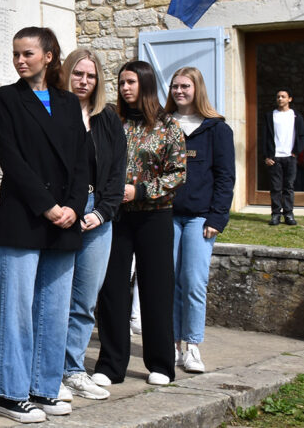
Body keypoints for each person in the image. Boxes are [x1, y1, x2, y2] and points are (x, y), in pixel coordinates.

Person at [0, 27, 89, 423]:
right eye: (16, 53)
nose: (20, 60)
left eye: (28, 53)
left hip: (66, 218)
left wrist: (74, 208)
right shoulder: (7, 97)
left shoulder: (68, 102)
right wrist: (48, 206)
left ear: (49, 56)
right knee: (16, 310)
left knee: (53, 310)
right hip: (25, 214)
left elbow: (82, 161)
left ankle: (44, 388)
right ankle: (11, 394)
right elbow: (11, 158)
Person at [92, 61, 186, 389]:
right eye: (121, 83)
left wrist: (142, 190)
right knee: (112, 288)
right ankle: (111, 363)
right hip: (116, 216)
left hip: (154, 215)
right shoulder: (110, 120)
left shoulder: (167, 126)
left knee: (156, 288)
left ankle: (161, 363)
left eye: (130, 82)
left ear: (145, 84)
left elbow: (178, 172)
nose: (125, 88)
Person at [57, 48, 126, 402]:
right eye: (78, 74)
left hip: (97, 214)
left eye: (91, 76)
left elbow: (117, 174)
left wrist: (100, 212)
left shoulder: (108, 119)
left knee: (84, 300)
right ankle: (49, 370)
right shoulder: (51, 111)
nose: (84, 81)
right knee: (54, 297)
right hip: (59, 212)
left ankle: (73, 369)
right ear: (66, 73)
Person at [165, 67, 235, 375]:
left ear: (198, 89)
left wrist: (217, 217)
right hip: (164, 216)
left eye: (185, 86)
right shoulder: (164, 125)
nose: (179, 91)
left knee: (193, 282)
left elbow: (225, 177)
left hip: (199, 218)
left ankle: (191, 345)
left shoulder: (217, 129)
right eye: (175, 86)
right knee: (166, 283)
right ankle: (169, 342)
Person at [260, 89, 304, 225]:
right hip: (274, 158)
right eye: (278, 97)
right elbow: (265, 137)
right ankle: (275, 215)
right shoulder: (270, 116)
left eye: (283, 97)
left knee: (288, 187)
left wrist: (296, 152)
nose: (280, 99)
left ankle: (288, 214)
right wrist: (266, 156)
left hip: (289, 157)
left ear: (289, 99)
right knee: (275, 188)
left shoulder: (296, 116)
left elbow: (302, 136)